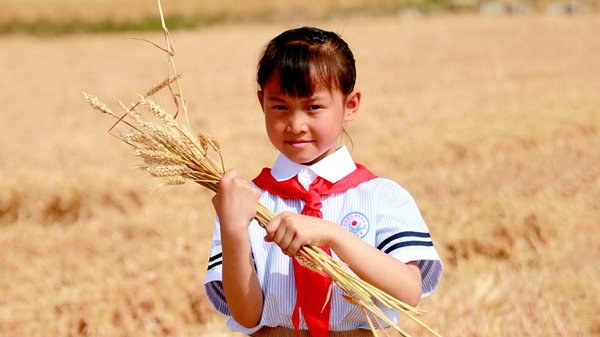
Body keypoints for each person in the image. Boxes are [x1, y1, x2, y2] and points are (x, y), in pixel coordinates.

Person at [204, 27, 443, 337]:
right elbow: (248, 317)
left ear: (350, 105)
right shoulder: (247, 202)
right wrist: (233, 229)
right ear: (261, 102)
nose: (295, 124)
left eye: (313, 107)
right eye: (280, 107)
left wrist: (333, 235)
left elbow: (408, 294)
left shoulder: (381, 196)